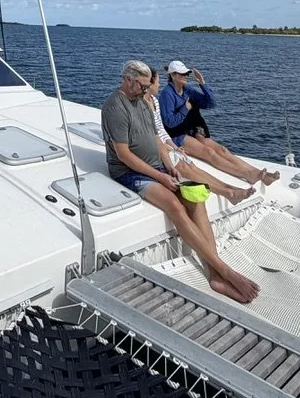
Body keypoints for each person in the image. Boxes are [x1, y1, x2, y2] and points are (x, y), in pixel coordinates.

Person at [101, 60, 260, 304]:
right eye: (142, 86)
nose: (146, 91)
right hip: (129, 172)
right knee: (175, 205)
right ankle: (225, 271)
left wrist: (169, 167)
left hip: (157, 167)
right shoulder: (115, 108)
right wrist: (159, 176)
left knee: (196, 200)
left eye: (147, 87)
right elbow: (123, 155)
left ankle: (214, 274)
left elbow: (156, 139)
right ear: (128, 80)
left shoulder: (142, 102)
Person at [141, 67, 256, 203]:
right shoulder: (149, 102)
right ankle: (228, 193)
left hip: (168, 143)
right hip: (159, 146)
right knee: (185, 167)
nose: (159, 85)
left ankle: (231, 188)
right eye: (157, 82)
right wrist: (171, 147)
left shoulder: (154, 101)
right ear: (149, 83)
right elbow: (155, 132)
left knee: (193, 166)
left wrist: (202, 83)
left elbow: (161, 129)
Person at [159, 60, 280, 186]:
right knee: (209, 152)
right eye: (182, 74)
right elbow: (169, 123)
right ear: (172, 75)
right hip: (177, 135)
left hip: (190, 130)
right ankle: (249, 175)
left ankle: (260, 174)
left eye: (186, 74)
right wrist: (185, 109)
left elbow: (210, 103)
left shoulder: (187, 90)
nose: (186, 76)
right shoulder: (167, 94)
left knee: (222, 150)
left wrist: (202, 83)